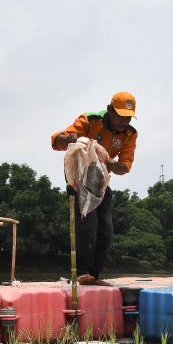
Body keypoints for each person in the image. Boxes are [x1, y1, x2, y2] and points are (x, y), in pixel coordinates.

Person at [51, 91, 138, 285]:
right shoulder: (90, 120)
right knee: (87, 223)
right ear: (109, 110)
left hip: (100, 179)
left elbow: (124, 166)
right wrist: (69, 138)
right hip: (78, 176)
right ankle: (81, 272)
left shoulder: (130, 134)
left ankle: (95, 274)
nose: (124, 121)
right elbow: (56, 140)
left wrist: (108, 161)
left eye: (128, 117)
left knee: (106, 228)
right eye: (120, 116)